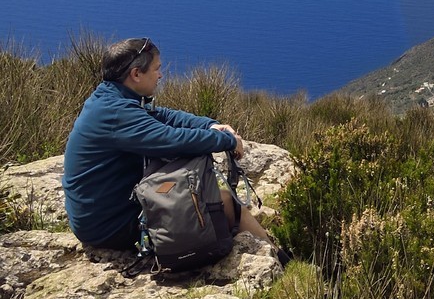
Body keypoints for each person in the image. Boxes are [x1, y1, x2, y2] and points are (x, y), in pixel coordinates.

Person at [62, 37, 275, 253]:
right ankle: (279, 258)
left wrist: (210, 125)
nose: (160, 75)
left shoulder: (109, 98)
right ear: (136, 74)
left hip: (102, 215)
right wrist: (227, 141)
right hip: (110, 227)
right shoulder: (117, 113)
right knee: (226, 203)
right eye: (156, 69)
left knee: (213, 198)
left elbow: (163, 115)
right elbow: (173, 140)